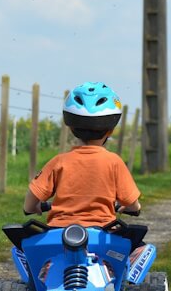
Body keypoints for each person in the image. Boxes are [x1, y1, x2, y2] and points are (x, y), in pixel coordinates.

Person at [24, 82, 141, 227]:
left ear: (71, 127)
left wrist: (32, 207)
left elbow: (31, 200)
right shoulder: (114, 162)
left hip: (59, 233)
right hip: (101, 234)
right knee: (140, 248)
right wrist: (131, 208)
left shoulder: (59, 162)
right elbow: (132, 203)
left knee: (24, 248)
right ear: (111, 130)